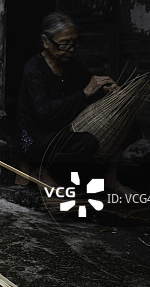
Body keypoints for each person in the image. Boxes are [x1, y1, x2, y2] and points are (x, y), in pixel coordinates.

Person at [17, 11, 134, 195]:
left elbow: (90, 84)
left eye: (75, 43)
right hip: (35, 136)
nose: (71, 49)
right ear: (45, 41)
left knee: (128, 125)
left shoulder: (70, 63)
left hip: (65, 128)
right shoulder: (34, 68)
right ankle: (40, 170)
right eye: (64, 44)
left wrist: (106, 89)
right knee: (86, 143)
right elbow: (44, 113)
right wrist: (85, 92)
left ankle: (111, 178)